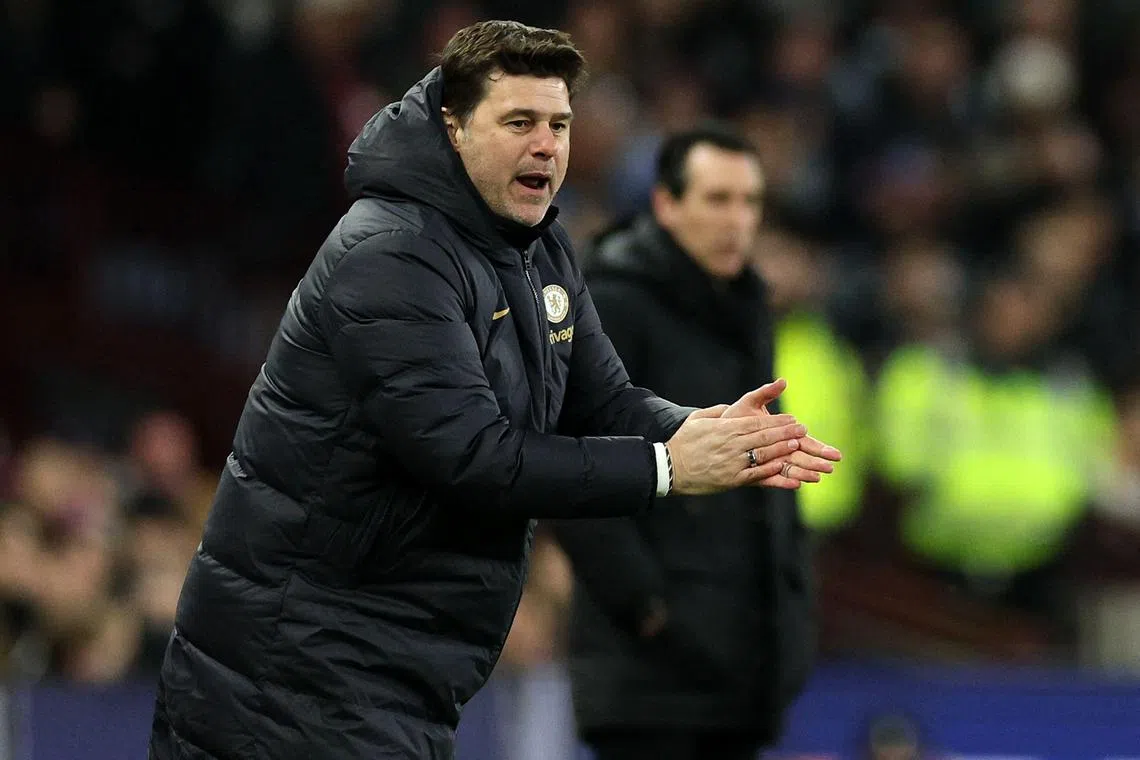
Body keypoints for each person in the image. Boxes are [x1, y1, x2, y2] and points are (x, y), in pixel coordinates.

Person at [147, 21, 840, 760]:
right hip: (287, 675)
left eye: (559, 125)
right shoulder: (390, 253)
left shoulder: (538, 247)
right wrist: (667, 468)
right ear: (454, 128)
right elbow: (473, 457)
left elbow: (603, 402)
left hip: (386, 671)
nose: (546, 146)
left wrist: (704, 430)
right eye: (519, 123)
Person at [555, 126, 820, 760]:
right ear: (666, 204)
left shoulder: (744, 308)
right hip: (650, 683)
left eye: (750, 202)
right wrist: (648, 611)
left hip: (739, 673)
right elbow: (577, 470)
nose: (738, 221)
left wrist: (789, 620)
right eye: (717, 199)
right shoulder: (615, 304)